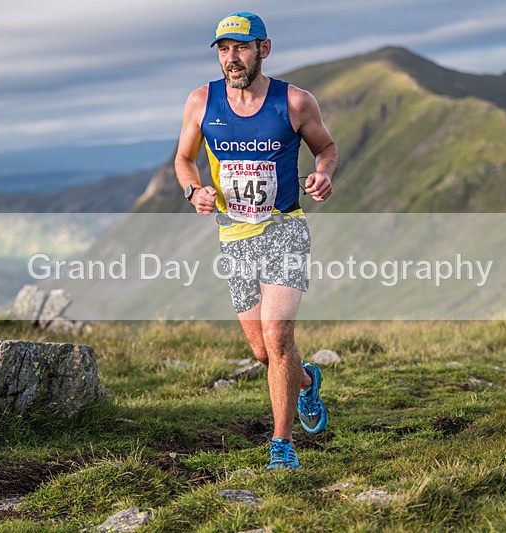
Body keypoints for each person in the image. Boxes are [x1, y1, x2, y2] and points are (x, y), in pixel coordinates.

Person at [174, 11, 339, 470]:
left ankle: (281, 446)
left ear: (264, 49)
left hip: (284, 228)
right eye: (224, 49)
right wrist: (194, 190)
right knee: (264, 352)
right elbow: (183, 160)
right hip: (233, 235)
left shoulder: (295, 102)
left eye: (242, 48)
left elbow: (326, 148)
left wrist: (323, 175)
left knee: (278, 333)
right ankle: (306, 381)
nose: (232, 58)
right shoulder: (200, 102)